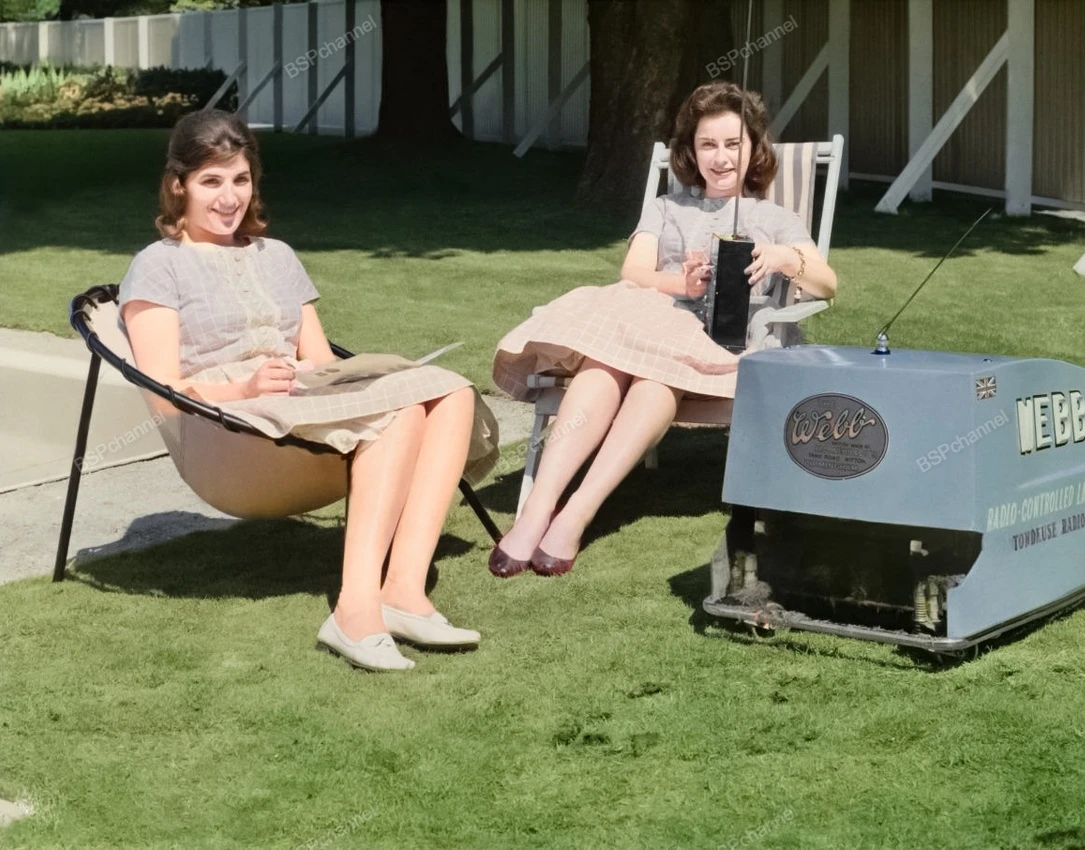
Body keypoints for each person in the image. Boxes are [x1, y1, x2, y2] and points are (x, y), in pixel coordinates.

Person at [118, 109, 498, 672]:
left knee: (451, 392)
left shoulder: (277, 256)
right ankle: (355, 612)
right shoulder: (159, 266)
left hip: (301, 400)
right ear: (179, 186)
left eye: (241, 179)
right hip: (231, 429)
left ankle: (403, 591)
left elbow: (319, 360)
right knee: (398, 414)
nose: (229, 198)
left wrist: (351, 378)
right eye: (211, 181)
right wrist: (245, 387)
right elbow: (163, 390)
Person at [489, 81, 838, 578]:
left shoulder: (776, 218)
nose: (721, 158)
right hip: (648, 323)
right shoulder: (667, 207)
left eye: (733, 144)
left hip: (716, 344)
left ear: (754, 148)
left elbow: (826, 284)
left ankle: (576, 513)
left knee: (653, 377)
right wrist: (683, 283)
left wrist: (785, 257)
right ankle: (537, 511)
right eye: (707, 144)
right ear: (690, 152)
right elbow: (633, 272)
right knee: (605, 362)